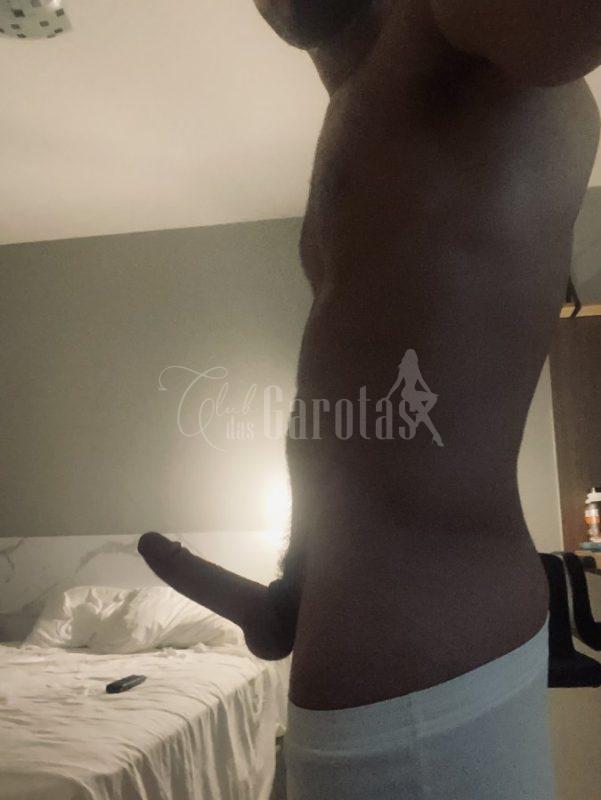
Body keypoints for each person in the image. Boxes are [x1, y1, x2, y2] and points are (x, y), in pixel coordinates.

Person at [139, 2, 601, 797]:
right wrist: (297, 583)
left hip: (426, 694)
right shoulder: (366, 105)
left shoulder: (446, 26)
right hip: (404, 695)